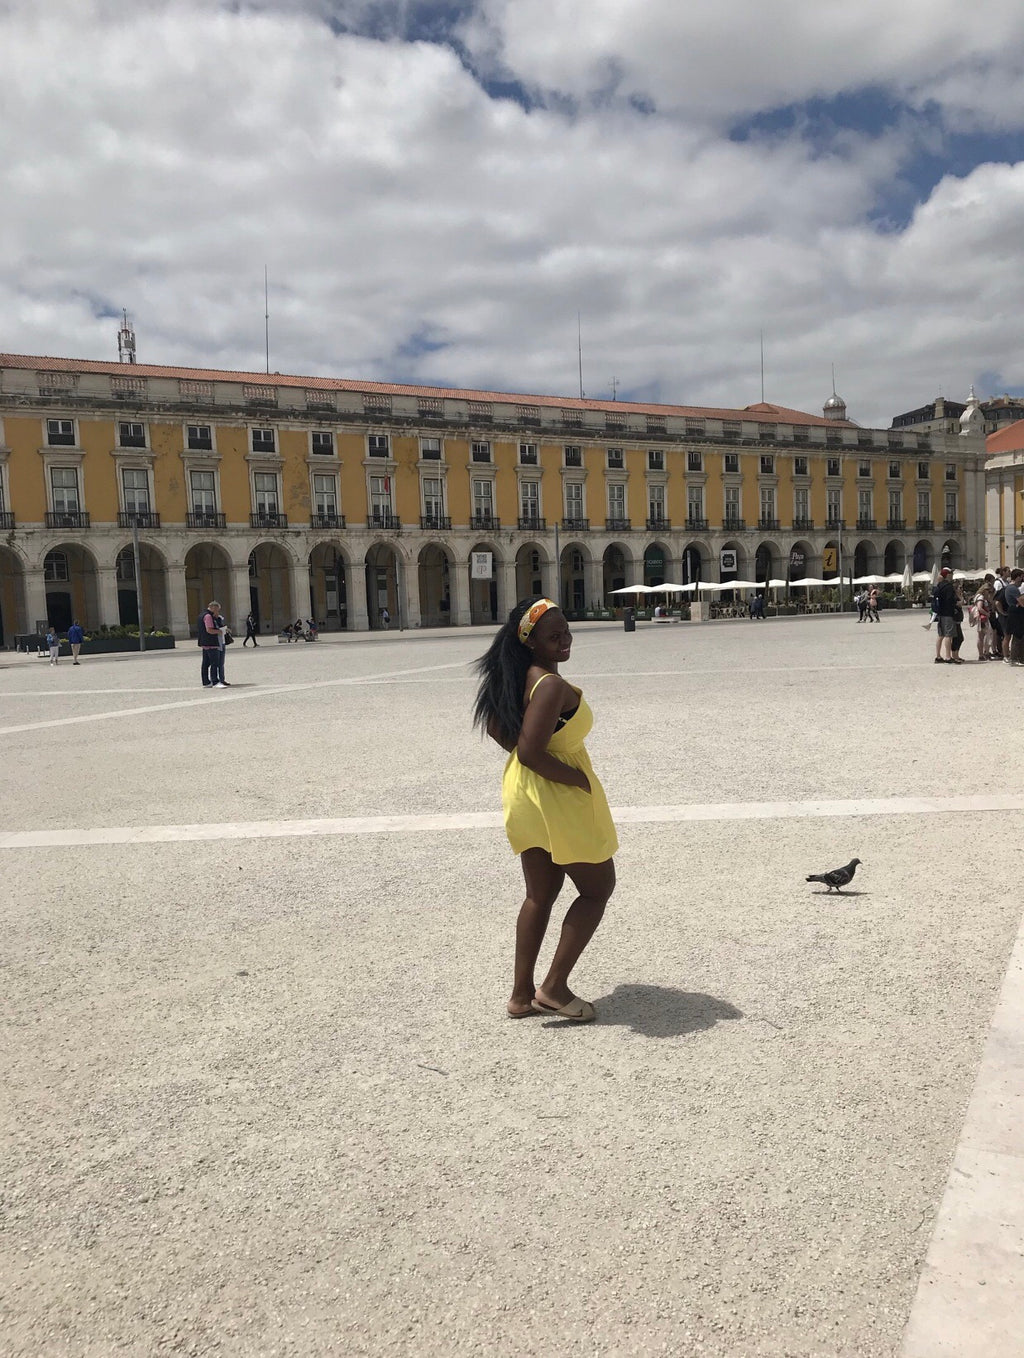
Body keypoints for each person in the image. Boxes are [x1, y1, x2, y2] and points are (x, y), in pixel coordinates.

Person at [473, 597, 617, 1023]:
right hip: (555, 792)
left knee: (540, 894)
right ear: (530, 640)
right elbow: (534, 752)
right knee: (596, 889)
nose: (565, 640)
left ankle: (520, 995)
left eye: (567, 630)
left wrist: (533, 759)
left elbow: (501, 731)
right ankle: (553, 988)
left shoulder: (517, 677)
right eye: (554, 636)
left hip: (524, 792)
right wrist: (577, 780)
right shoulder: (549, 685)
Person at [932, 568, 958, 664]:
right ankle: (948, 656)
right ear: (947, 575)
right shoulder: (948, 586)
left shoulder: (939, 585)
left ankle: (938, 656)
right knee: (948, 635)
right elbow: (950, 600)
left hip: (940, 613)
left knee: (941, 635)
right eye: (951, 573)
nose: (952, 575)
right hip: (948, 613)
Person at [198, 600, 226, 687]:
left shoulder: (201, 615)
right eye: (217, 610)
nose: (218, 612)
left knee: (205, 663)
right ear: (213, 608)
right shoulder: (208, 616)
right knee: (215, 663)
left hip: (204, 642)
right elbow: (209, 629)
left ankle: (206, 681)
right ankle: (215, 681)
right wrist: (220, 631)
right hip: (211, 642)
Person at [1004, 569, 1024, 665]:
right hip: (1015, 614)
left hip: (1016, 613)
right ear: (1017, 577)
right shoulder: (1012, 588)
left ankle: (1018, 657)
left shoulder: (1013, 588)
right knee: (1017, 636)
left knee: (1018, 635)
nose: (1022, 579)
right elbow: (1021, 602)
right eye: (1021, 577)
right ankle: (1014, 658)